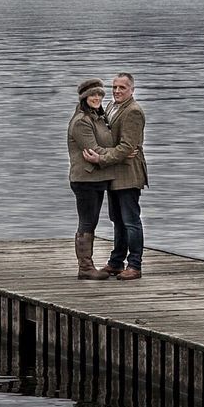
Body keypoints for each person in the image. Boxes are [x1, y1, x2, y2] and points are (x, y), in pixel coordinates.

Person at [83, 72, 148, 280]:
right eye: (115, 87)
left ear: (132, 90)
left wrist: (100, 159)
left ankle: (135, 265)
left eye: (122, 88)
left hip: (128, 172)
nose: (117, 91)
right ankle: (116, 262)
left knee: (130, 220)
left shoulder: (133, 111)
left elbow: (127, 147)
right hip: (113, 174)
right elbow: (112, 141)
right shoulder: (110, 106)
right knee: (117, 220)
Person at [66, 78, 114, 280]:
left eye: (100, 95)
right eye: (92, 95)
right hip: (85, 179)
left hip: (97, 178)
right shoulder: (81, 122)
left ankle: (87, 265)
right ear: (84, 98)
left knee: (91, 221)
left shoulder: (97, 117)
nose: (96, 98)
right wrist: (119, 153)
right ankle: (85, 267)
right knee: (87, 222)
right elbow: (93, 150)